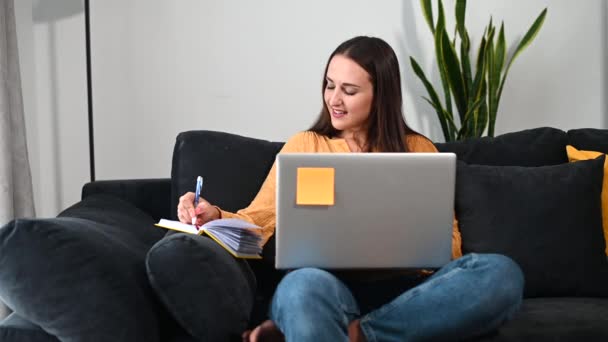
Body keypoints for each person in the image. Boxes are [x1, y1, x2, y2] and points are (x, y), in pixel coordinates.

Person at [177, 36, 524, 342]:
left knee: (500, 274)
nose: (334, 99)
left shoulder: (418, 150)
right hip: (327, 288)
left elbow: (450, 246)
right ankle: (325, 324)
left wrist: (391, 242)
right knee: (300, 289)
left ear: (381, 95)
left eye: (349, 90)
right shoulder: (306, 146)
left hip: (411, 292)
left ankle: (361, 333)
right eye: (330, 85)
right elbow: (259, 221)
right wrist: (216, 215)